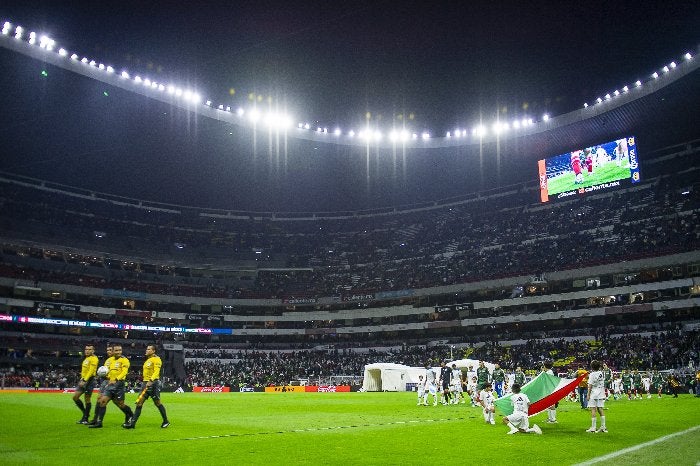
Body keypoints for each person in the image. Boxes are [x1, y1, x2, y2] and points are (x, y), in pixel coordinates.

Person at [89, 343, 134, 428]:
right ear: (113, 351)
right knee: (102, 401)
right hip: (110, 384)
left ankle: (131, 415)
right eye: (116, 350)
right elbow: (107, 371)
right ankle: (99, 422)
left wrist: (116, 379)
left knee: (120, 404)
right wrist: (103, 375)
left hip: (119, 384)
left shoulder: (124, 360)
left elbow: (124, 372)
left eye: (120, 350)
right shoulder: (109, 360)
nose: (118, 352)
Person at [124, 344, 169, 429]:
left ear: (153, 351)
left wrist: (151, 380)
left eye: (149, 349)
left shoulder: (157, 359)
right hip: (145, 383)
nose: (146, 350)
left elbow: (156, 372)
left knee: (157, 403)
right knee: (139, 403)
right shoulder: (148, 360)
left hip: (153, 383)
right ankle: (132, 424)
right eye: (147, 349)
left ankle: (166, 421)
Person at [87, 343, 114, 425]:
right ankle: (95, 419)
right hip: (104, 381)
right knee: (99, 399)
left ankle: (129, 415)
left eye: (110, 350)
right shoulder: (107, 360)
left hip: (111, 382)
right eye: (107, 350)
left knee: (119, 403)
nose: (108, 352)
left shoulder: (116, 360)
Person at [73, 344, 99, 424]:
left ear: (93, 350)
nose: (87, 351)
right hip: (83, 380)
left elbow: (91, 371)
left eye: (89, 349)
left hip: (89, 380)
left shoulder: (94, 358)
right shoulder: (86, 358)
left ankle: (85, 418)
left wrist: (84, 380)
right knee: (75, 397)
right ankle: (85, 414)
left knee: (87, 399)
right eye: (86, 349)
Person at [586, 360, 607, 433]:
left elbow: (590, 385)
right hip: (601, 393)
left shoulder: (592, 374)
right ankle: (603, 427)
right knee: (600, 409)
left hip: (594, 393)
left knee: (593, 409)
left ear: (591, 366)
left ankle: (593, 428)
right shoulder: (601, 373)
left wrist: (588, 395)